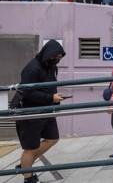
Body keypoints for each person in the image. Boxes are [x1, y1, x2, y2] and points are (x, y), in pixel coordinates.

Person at [16, 40, 66, 183]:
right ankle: (28, 177)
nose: (57, 60)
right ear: (47, 54)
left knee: (53, 138)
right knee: (31, 148)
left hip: (47, 109)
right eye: (55, 57)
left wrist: (54, 98)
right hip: (31, 112)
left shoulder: (51, 66)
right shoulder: (32, 68)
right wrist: (51, 97)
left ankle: (26, 164)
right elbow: (26, 92)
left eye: (60, 57)